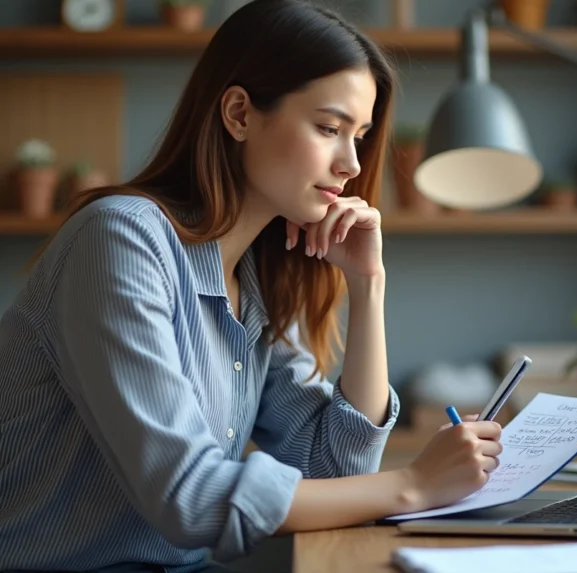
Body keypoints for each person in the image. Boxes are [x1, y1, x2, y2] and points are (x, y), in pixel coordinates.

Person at [0, 1, 504, 571]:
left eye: (359, 136)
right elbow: (190, 498)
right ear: (239, 114)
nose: (352, 164)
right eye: (329, 128)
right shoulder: (120, 239)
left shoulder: (257, 276)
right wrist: (413, 485)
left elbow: (335, 471)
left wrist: (368, 284)